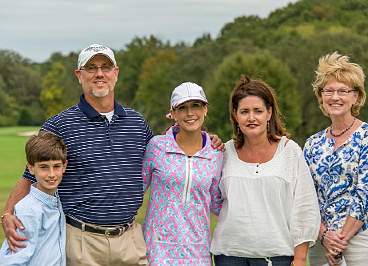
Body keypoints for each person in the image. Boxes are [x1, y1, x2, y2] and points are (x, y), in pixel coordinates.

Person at [1, 43, 151, 266]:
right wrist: (7, 214)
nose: (99, 74)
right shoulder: (59, 125)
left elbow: (164, 157)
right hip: (81, 242)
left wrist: (207, 140)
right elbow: (30, 175)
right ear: (79, 75)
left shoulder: (137, 124)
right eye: (91, 68)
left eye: (105, 67)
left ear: (115, 73)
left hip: (130, 240)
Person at [211, 75, 320, 266]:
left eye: (258, 111)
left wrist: (300, 258)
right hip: (229, 256)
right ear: (235, 115)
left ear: (269, 113)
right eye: (244, 111)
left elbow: (305, 207)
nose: (251, 117)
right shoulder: (223, 153)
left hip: (277, 256)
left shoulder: (290, 151)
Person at [303, 52, 368, 266]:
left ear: (356, 97)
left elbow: (366, 194)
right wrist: (325, 237)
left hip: (364, 240)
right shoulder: (311, 145)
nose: (335, 97)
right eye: (329, 91)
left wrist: (340, 241)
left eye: (343, 91)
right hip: (323, 243)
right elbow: (307, 199)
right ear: (321, 97)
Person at [142, 82, 223, 265]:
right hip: (156, 252)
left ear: (205, 110)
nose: (190, 113)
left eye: (196, 105)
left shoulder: (216, 153)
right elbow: (136, 190)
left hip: (198, 254)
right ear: (173, 113)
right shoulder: (156, 146)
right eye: (182, 108)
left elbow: (218, 204)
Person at [0, 131, 67, 265]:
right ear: (31, 168)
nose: (51, 174)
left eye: (56, 166)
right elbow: (14, 260)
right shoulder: (29, 210)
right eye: (44, 167)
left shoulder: (54, 199)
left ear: (64, 166)